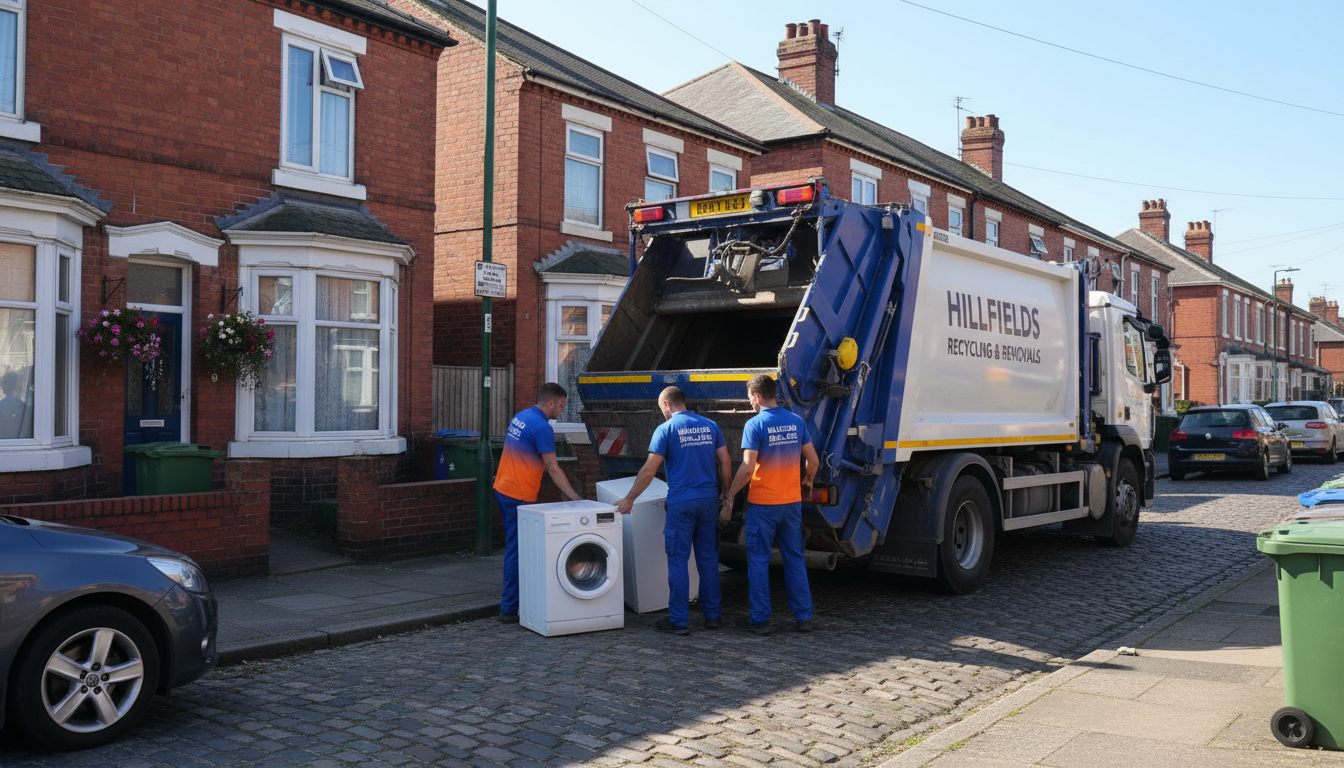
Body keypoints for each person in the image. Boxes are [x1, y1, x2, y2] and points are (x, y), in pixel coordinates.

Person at [616, 387, 731, 635]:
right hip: (709, 501)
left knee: (678, 560)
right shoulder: (710, 425)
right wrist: (727, 494)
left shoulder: (666, 430)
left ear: (667, 404)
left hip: (682, 504)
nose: (662, 414)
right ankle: (713, 616)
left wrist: (629, 498)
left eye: (661, 410)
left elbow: (649, 470)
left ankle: (679, 620)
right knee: (708, 559)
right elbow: (725, 460)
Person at [724, 374, 819, 635]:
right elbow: (813, 459)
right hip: (791, 504)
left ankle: (761, 620)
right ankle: (803, 618)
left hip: (763, 505)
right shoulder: (796, 421)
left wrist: (731, 494)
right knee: (795, 559)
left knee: (758, 561)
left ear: (756, 397)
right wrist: (808, 481)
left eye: (749, 399)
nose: (750, 403)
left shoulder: (754, 425)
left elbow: (746, 468)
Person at [494, 382, 583, 623]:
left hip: (503, 488)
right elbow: (553, 467)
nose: (562, 410)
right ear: (551, 402)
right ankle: (509, 608)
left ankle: (516, 600)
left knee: (515, 546)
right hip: (518, 495)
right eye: (561, 405)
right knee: (517, 549)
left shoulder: (521, 416)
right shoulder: (543, 427)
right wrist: (575, 498)